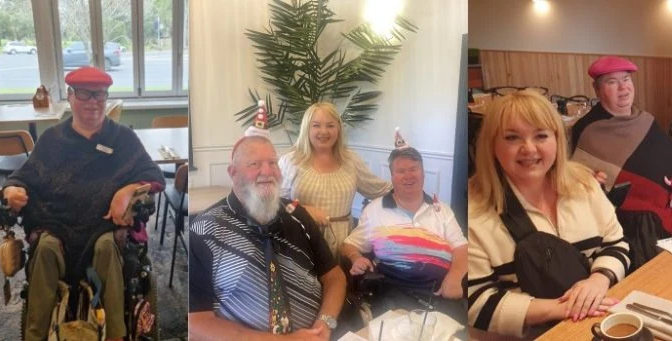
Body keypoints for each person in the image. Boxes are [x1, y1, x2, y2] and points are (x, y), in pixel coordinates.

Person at [0, 66, 165, 341]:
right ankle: (34, 335)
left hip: (104, 228)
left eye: (100, 95)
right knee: (46, 250)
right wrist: (13, 189)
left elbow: (153, 176)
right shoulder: (52, 139)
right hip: (59, 225)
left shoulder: (123, 138)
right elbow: (23, 176)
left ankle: (116, 334)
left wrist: (128, 189)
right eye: (85, 95)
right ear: (71, 96)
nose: (93, 102)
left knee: (106, 248)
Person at [467, 90, 630, 338]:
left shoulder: (584, 183)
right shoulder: (471, 209)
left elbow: (615, 244)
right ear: (492, 145)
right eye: (512, 138)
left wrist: (599, 279)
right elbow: (476, 303)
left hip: (593, 321)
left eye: (541, 136)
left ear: (557, 139)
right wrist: (563, 308)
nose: (528, 148)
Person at [188, 133, 346, 341]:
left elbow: (334, 277)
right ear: (233, 172)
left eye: (273, 162)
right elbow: (196, 321)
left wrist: (325, 323)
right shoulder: (203, 231)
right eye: (254, 164)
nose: (267, 171)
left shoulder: (297, 215)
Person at [340, 133, 467, 324]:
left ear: (423, 173)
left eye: (414, 169)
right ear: (391, 177)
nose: (408, 176)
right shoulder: (375, 210)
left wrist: (455, 276)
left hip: (440, 292)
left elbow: (461, 247)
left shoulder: (441, 210)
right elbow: (349, 244)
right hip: (393, 294)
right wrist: (356, 257)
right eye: (401, 171)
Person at [570, 56, 672, 241]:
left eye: (626, 79)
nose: (623, 88)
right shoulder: (588, 130)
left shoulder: (644, 118)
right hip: (635, 217)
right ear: (597, 90)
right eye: (612, 82)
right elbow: (583, 182)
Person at [278, 102, 392, 258]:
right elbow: (276, 203)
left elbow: (378, 189)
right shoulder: (290, 161)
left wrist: (412, 191)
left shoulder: (350, 159)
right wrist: (304, 209)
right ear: (306, 128)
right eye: (316, 125)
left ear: (338, 128)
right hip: (303, 241)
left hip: (343, 244)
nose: (324, 131)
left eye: (330, 125)